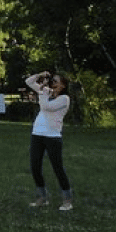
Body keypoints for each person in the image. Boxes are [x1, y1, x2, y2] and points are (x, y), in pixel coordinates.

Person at [25, 70, 73, 211]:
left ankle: (67, 200)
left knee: (57, 168)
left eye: (56, 81)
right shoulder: (45, 92)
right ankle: (42, 198)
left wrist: (41, 91)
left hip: (53, 137)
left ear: (63, 85)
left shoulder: (64, 99)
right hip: (37, 134)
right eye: (52, 80)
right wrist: (40, 75)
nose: (52, 83)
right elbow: (28, 82)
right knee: (35, 166)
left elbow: (46, 106)